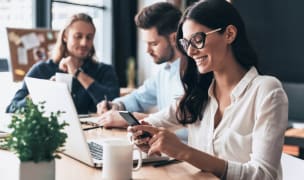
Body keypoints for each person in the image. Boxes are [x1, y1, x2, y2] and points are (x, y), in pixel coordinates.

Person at [128, 1, 288, 179]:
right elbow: (152, 123)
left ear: (229, 34)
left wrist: (183, 152)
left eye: (197, 40)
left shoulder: (267, 91)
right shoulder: (198, 95)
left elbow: (263, 175)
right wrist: (142, 136)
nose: (190, 51)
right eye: (186, 43)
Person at [96, 2, 185, 132]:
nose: (147, 51)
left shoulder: (194, 73)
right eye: (146, 44)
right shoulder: (164, 71)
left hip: (183, 149)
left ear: (174, 38)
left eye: (153, 44)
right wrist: (115, 105)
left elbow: (182, 122)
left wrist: (129, 118)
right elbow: (138, 98)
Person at [6, 13, 120, 114]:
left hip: (96, 135)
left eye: (89, 37)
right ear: (65, 36)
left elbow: (114, 105)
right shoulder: (42, 69)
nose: (84, 43)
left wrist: (77, 73)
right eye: (78, 36)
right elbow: (12, 108)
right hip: (51, 134)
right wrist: (42, 92)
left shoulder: (104, 70)